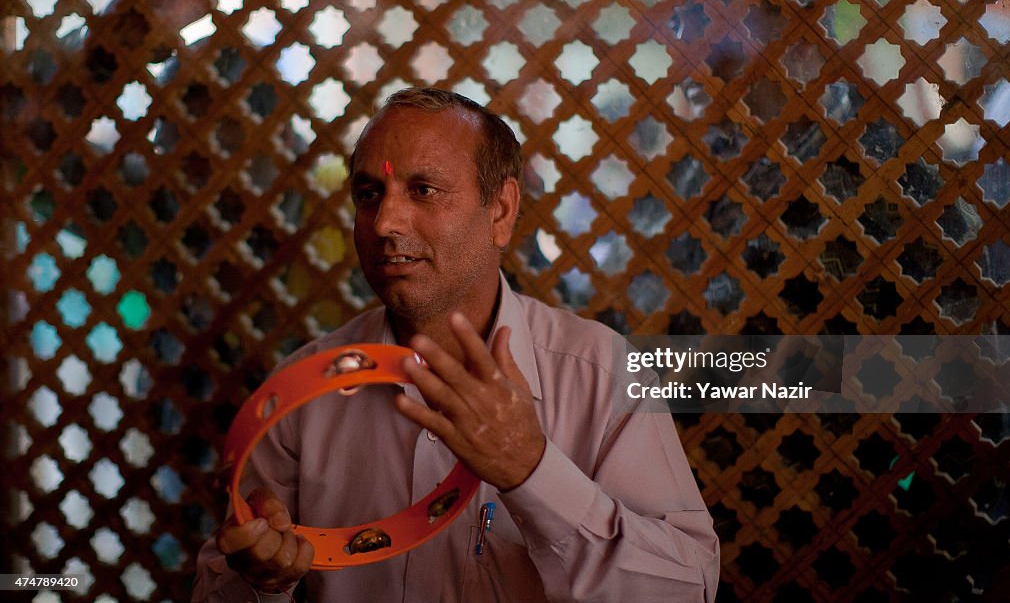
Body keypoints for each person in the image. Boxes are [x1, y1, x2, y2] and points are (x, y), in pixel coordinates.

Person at [192, 88, 719, 602]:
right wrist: (262, 580)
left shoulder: (600, 373)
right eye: (369, 194)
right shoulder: (303, 392)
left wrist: (531, 471)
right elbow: (222, 583)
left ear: (501, 211)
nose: (384, 223)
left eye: (422, 190)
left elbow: (688, 588)